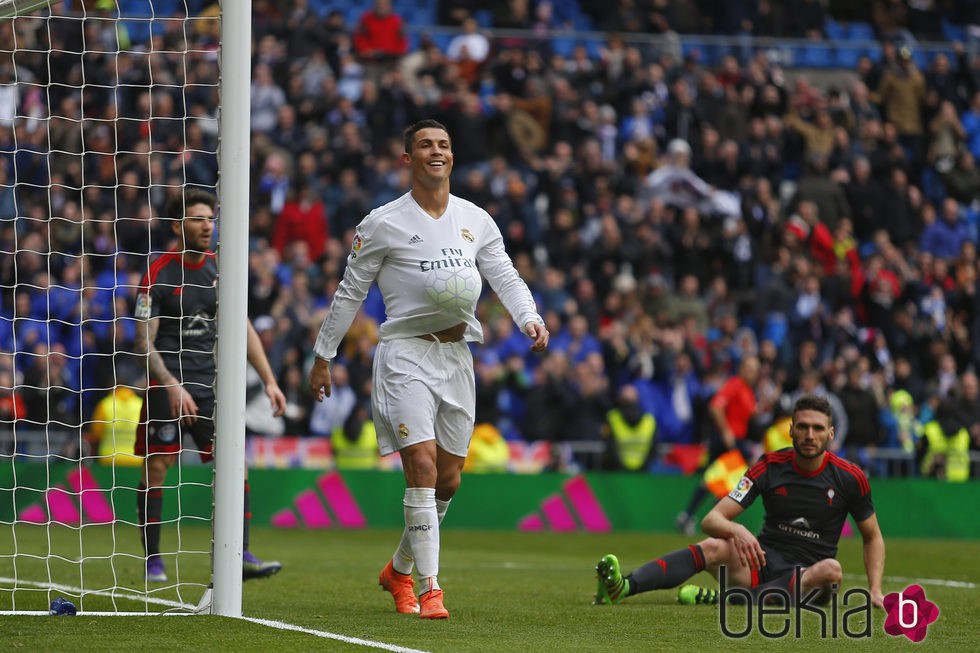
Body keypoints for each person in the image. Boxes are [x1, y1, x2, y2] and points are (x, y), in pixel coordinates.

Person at [307, 119, 549, 620]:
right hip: (404, 355)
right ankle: (429, 587)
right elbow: (351, 290)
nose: (435, 151)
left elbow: (503, 271)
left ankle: (398, 570)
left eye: (443, 144)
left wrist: (529, 317)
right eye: (424, 145)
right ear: (407, 158)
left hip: (457, 356)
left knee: (449, 479)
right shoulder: (382, 222)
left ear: (452, 156)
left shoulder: (475, 218)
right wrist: (323, 354)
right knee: (420, 467)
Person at [594, 395, 885, 610]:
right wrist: (738, 531)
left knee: (831, 569)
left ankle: (725, 600)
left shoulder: (850, 477)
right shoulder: (770, 465)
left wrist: (875, 590)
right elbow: (712, 520)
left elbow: (872, 537)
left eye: (818, 429)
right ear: (792, 429)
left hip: (810, 580)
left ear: (830, 434)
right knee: (714, 546)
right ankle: (623, 586)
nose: (810, 435)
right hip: (761, 565)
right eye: (804, 427)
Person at [134, 188, 287, 583]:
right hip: (166, 384)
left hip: (210, 385)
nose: (207, 226)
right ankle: (153, 561)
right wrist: (169, 383)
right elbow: (143, 341)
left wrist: (270, 381)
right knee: (158, 466)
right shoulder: (158, 272)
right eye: (198, 219)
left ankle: (242, 553)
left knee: (235, 462)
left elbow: (244, 327)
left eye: (210, 218)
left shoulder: (222, 270)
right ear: (177, 225)